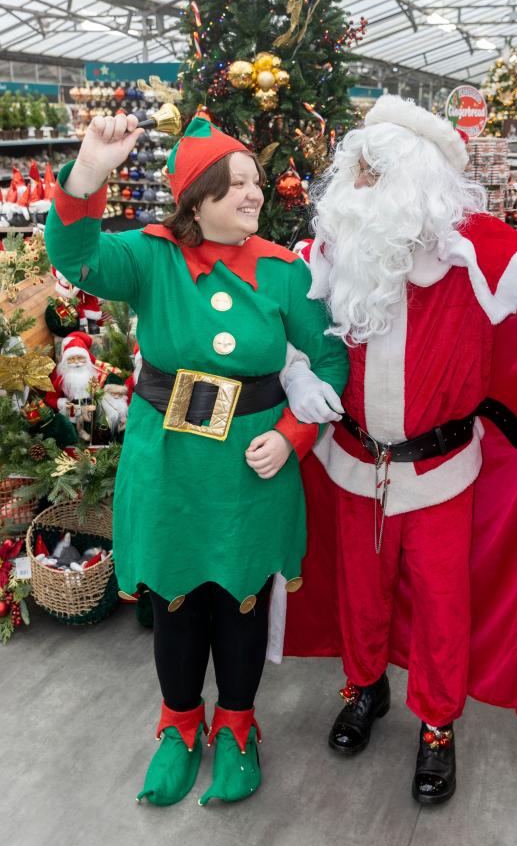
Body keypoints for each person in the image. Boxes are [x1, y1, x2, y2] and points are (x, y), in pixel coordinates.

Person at [283, 95, 517, 805]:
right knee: (360, 592)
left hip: (438, 471)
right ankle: (366, 689)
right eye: (358, 171)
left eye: (374, 173)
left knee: (441, 603)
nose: (359, 187)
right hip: (352, 460)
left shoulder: (474, 244)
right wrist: (295, 368)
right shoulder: (335, 243)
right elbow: (287, 315)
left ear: (416, 179)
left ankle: (437, 725)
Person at [44, 112, 348, 807]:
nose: (254, 195)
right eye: (236, 183)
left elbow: (330, 356)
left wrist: (298, 434)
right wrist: (88, 172)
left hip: (253, 466)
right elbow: (75, 252)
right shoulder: (149, 257)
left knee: (241, 603)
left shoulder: (282, 272)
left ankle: (237, 730)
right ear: (197, 196)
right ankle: (179, 729)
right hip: (170, 462)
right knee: (176, 602)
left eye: (256, 183)